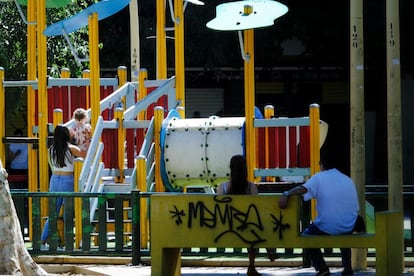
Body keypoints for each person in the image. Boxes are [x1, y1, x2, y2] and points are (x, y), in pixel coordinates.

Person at [278, 146, 359, 276]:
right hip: (349, 225)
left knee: (306, 235)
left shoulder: (319, 177)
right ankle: (347, 267)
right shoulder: (347, 179)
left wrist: (287, 193)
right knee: (343, 230)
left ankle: (322, 269)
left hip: (328, 226)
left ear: (321, 164)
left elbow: (303, 189)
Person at [217, 155, 276, 276]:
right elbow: (256, 213)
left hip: (223, 229)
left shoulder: (222, 187)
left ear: (231, 169)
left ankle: (263, 254)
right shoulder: (251, 188)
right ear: (245, 169)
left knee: (252, 227)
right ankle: (256, 262)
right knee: (255, 226)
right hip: (248, 231)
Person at [41, 125, 86, 249]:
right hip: (67, 179)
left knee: (52, 213)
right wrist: (86, 140)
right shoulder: (70, 148)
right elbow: (85, 155)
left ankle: (42, 242)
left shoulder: (51, 149)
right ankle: (68, 243)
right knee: (67, 213)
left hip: (55, 179)